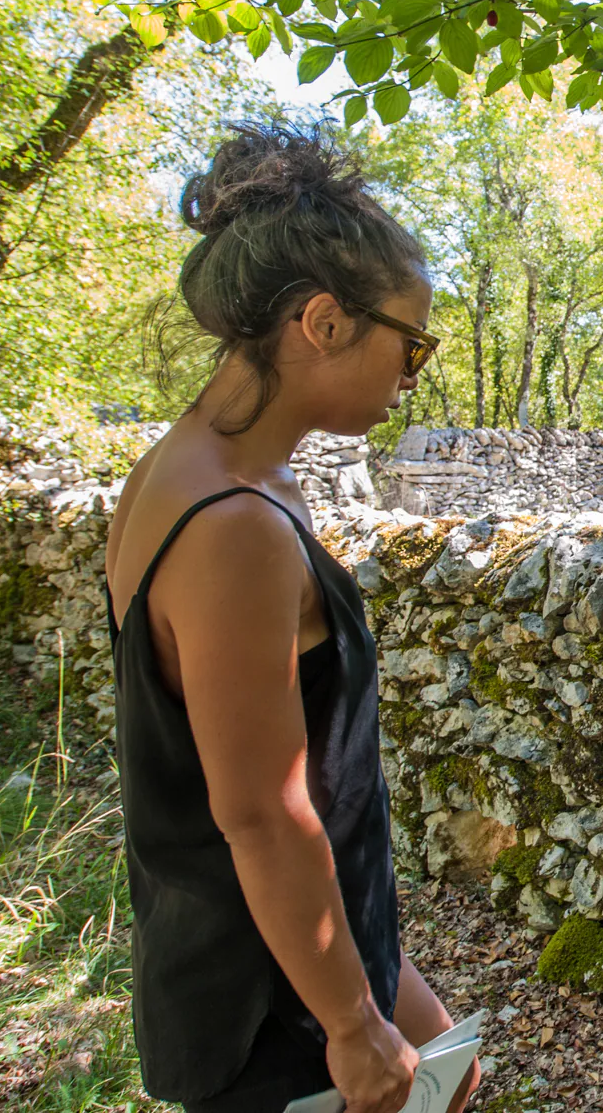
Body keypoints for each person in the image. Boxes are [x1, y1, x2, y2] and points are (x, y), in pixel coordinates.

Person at [103, 123, 475, 1113]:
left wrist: (393, 990)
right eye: (413, 344)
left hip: (282, 973)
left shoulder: (181, 475)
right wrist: (354, 1027)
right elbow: (263, 813)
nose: (412, 375)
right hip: (269, 1024)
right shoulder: (234, 527)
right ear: (322, 323)